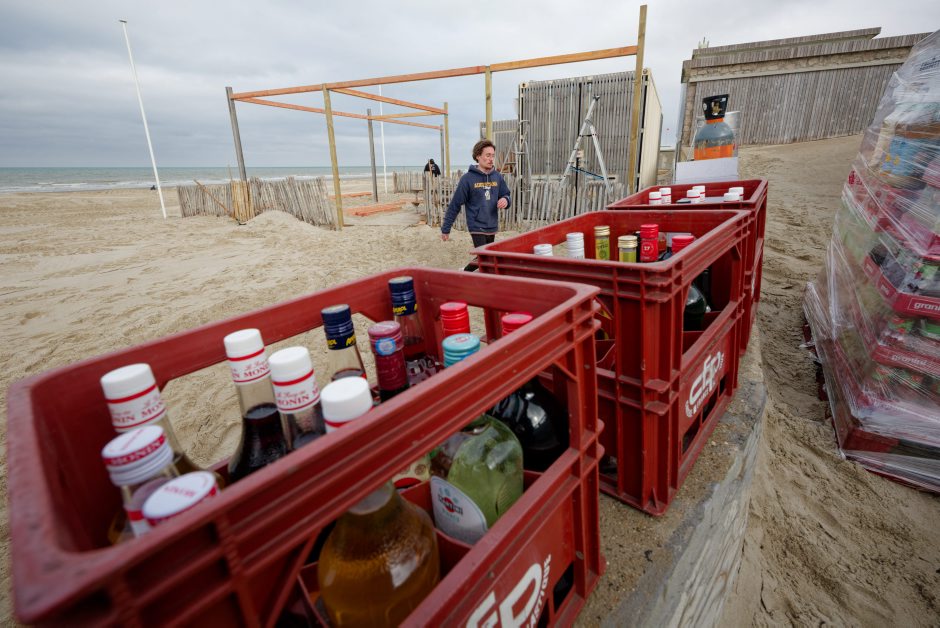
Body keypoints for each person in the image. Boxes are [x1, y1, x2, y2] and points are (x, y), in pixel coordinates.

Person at [440, 140, 510, 271]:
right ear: (478, 156)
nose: (491, 159)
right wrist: (446, 228)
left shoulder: (497, 177)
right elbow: (455, 204)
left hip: (492, 225)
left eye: (493, 155)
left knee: (485, 257)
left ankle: (465, 272)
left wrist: (505, 200)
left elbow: (506, 194)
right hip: (476, 225)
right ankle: (464, 274)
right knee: (484, 257)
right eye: (487, 155)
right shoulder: (467, 179)